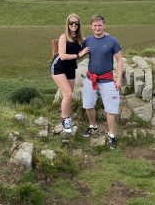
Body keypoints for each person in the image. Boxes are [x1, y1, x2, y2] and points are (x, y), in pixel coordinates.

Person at [81, 14, 124, 150]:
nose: (97, 28)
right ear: (91, 26)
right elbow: (77, 51)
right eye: (95, 25)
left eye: (100, 25)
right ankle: (93, 126)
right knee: (88, 105)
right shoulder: (87, 41)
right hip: (90, 79)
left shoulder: (112, 41)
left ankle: (111, 135)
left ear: (104, 26)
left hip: (107, 81)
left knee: (111, 109)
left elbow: (120, 60)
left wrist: (118, 79)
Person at [51, 13, 89, 135]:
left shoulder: (80, 39)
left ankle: (67, 117)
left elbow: (91, 43)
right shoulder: (64, 37)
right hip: (58, 68)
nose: (73, 25)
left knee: (69, 95)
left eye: (76, 23)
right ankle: (65, 120)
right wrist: (79, 55)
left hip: (71, 68)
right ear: (67, 24)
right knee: (67, 94)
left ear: (79, 25)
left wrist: (104, 36)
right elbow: (62, 56)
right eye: (71, 23)